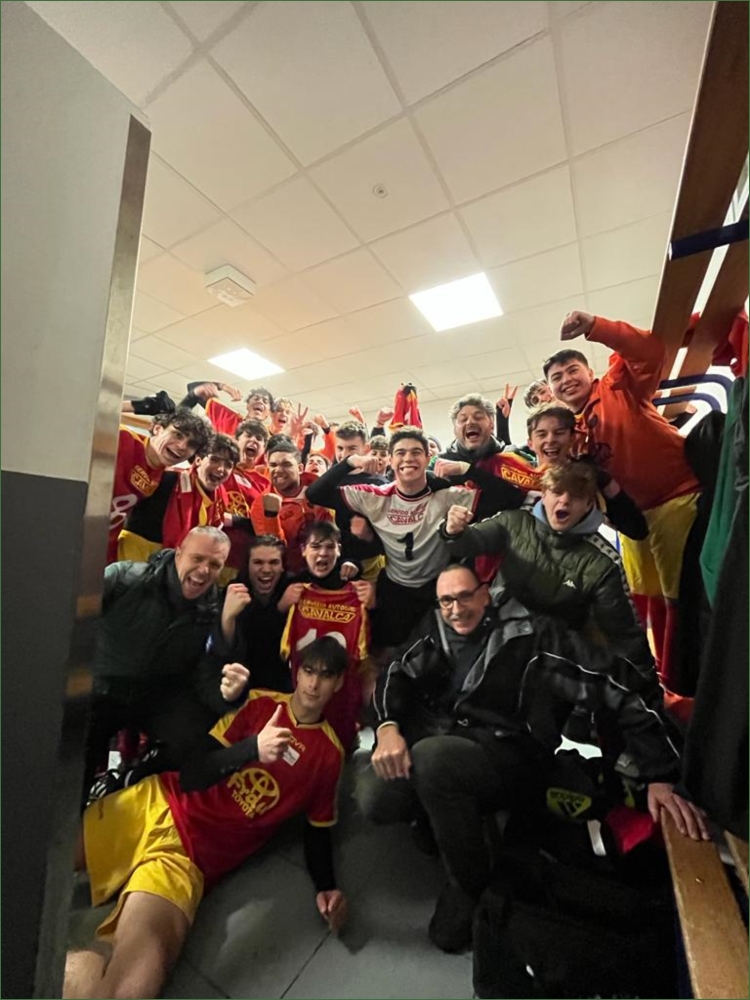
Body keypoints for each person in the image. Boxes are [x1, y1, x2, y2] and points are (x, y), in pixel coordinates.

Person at [356, 564, 708, 953]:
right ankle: (437, 818)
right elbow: (395, 672)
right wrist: (386, 727)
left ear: (486, 594)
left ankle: (472, 885)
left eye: (465, 596)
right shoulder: (435, 627)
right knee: (374, 795)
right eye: (447, 601)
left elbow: (620, 686)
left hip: (508, 751)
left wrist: (660, 772)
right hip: (441, 739)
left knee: (432, 761)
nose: (456, 609)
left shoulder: (532, 635)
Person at [65, 637, 349, 1000]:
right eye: (309, 671)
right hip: (156, 803)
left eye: (325, 675)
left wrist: (328, 886)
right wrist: (252, 749)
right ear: (296, 671)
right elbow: (192, 775)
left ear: (338, 682)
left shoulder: (329, 755)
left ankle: (84, 968)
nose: (313, 683)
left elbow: (317, 828)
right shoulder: (259, 704)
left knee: (133, 988)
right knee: (40, 862)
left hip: (187, 859)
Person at [441, 462, 651, 669]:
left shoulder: (604, 562)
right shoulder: (514, 521)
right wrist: (453, 531)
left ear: (588, 505)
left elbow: (624, 634)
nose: (565, 500)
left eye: (576, 496)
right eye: (557, 492)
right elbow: (469, 543)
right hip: (498, 632)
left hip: (555, 654)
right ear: (544, 495)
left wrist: (644, 679)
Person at [84, 527, 241, 802]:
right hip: (100, 691)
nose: (204, 570)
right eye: (197, 558)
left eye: (215, 564)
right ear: (179, 553)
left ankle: (130, 780)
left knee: (196, 737)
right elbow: (71, 620)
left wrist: (228, 694)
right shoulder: (124, 578)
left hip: (155, 697)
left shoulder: (213, 611)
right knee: (74, 755)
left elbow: (204, 676)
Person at [305, 427, 477, 648]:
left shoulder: (447, 495)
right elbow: (315, 493)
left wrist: (467, 469)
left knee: (441, 653)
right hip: (395, 590)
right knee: (387, 650)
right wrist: (350, 462)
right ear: (390, 460)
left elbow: (506, 497)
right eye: (400, 453)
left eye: (416, 452)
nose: (408, 458)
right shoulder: (374, 495)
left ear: (428, 458)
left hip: (436, 588)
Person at [279, 522, 372, 750]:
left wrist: (372, 601)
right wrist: (282, 605)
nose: (323, 553)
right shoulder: (294, 586)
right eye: (316, 546)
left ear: (339, 550)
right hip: (301, 681)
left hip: (341, 685)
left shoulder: (353, 587)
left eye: (330, 547)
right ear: (303, 550)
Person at [526, 405, 648, 540]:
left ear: (572, 438)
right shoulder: (517, 472)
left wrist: (606, 484)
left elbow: (637, 530)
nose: (550, 440)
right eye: (542, 434)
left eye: (559, 433)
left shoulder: (588, 476)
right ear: (530, 443)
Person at [108, 409, 212, 563]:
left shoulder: (160, 474)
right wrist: (134, 405)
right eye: (178, 434)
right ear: (157, 429)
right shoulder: (123, 439)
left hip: (102, 546)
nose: (182, 446)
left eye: (192, 444)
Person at [117, 434, 240, 562]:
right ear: (198, 460)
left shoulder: (220, 500)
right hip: (136, 556)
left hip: (175, 563)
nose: (221, 469)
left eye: (228, 465)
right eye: (214, 459)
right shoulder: (167, 479)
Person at [305, 421, 387, 580]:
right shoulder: (332, 479)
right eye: (340, 448)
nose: (344, 454)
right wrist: (349, 463)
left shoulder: (379, 483)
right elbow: (312, 494)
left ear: (366, 449)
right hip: (332, 562)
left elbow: (389, 536)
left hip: (368, 565)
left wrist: (369, 536)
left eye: (352, 449)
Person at [218, 535, 293, 694]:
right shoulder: (234, 589)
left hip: (285, 684)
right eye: (258, 562)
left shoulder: (292, 587)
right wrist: (227, 617)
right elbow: (222, 648)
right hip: (241, 683)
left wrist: (347, 565)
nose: (266, 569)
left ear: (283, 567)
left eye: (274, 562)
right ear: (247, 566)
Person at [251, 439, 333, 574]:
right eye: (273, 465)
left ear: (300, 468)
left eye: (286, 464)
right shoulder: (260, 505)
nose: (278, 470)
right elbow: (274, 550)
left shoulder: (321, 488)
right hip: (292, 574)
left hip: (328, 566)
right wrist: (271, 516)